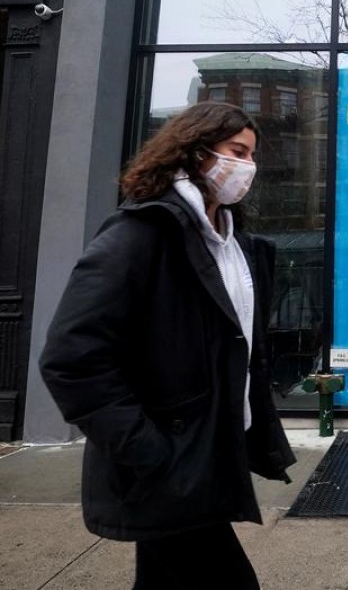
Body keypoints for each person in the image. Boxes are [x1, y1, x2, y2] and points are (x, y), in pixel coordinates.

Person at [39, 102, 297, 589]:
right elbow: (70, 358)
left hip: (209, 453)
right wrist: (151, 450)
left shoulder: (231, 244)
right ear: (196, 151)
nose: (248, 167)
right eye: (237, 152)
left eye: (252, 156)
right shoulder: (141, 234)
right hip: (170, 464)